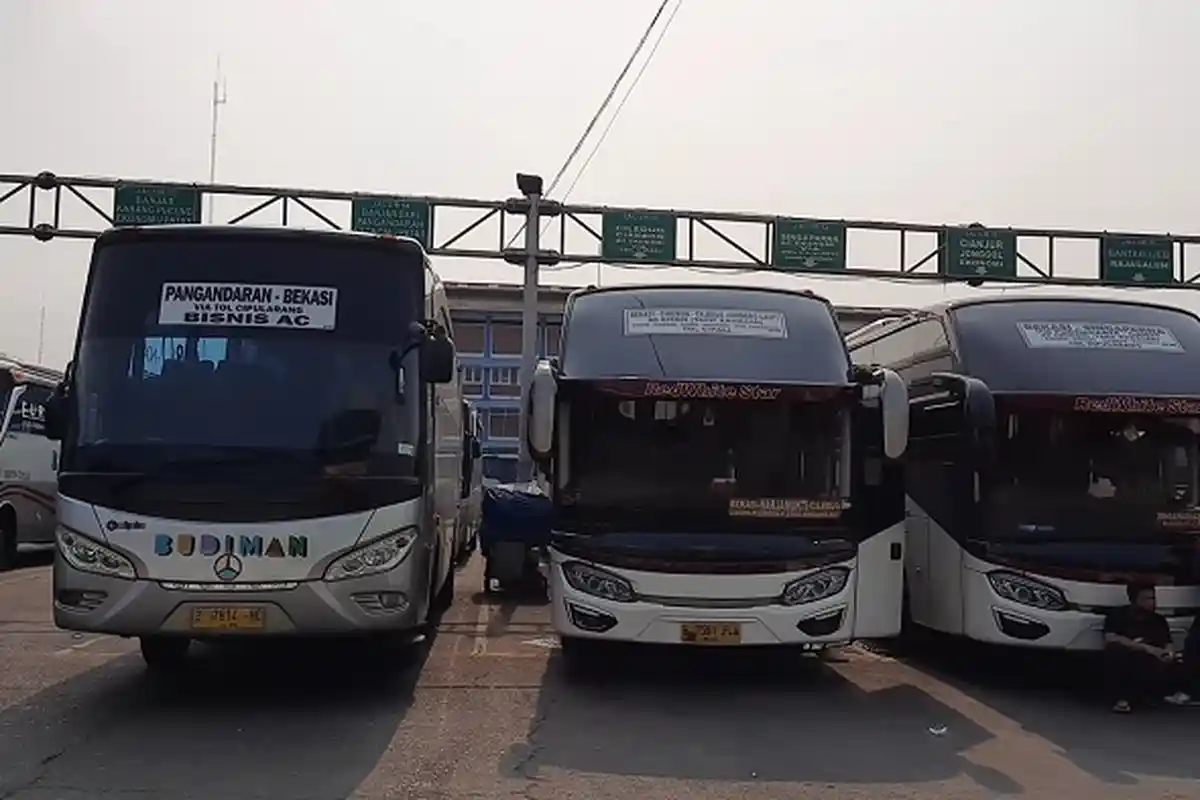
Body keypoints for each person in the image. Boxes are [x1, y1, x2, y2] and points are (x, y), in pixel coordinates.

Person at [1103, 581, 1180, 713]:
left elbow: (1168, 643)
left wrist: (1168, 654)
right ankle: (1123, 699)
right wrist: (1146, 648)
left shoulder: (1158, 620)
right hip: (1129, 654)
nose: (1152, 602)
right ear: (1134, 600)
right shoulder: (1118, 615)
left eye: (1153, 598)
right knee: (1118, 651)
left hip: (1150, 659)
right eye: (1147, 599)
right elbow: (1111, 637)